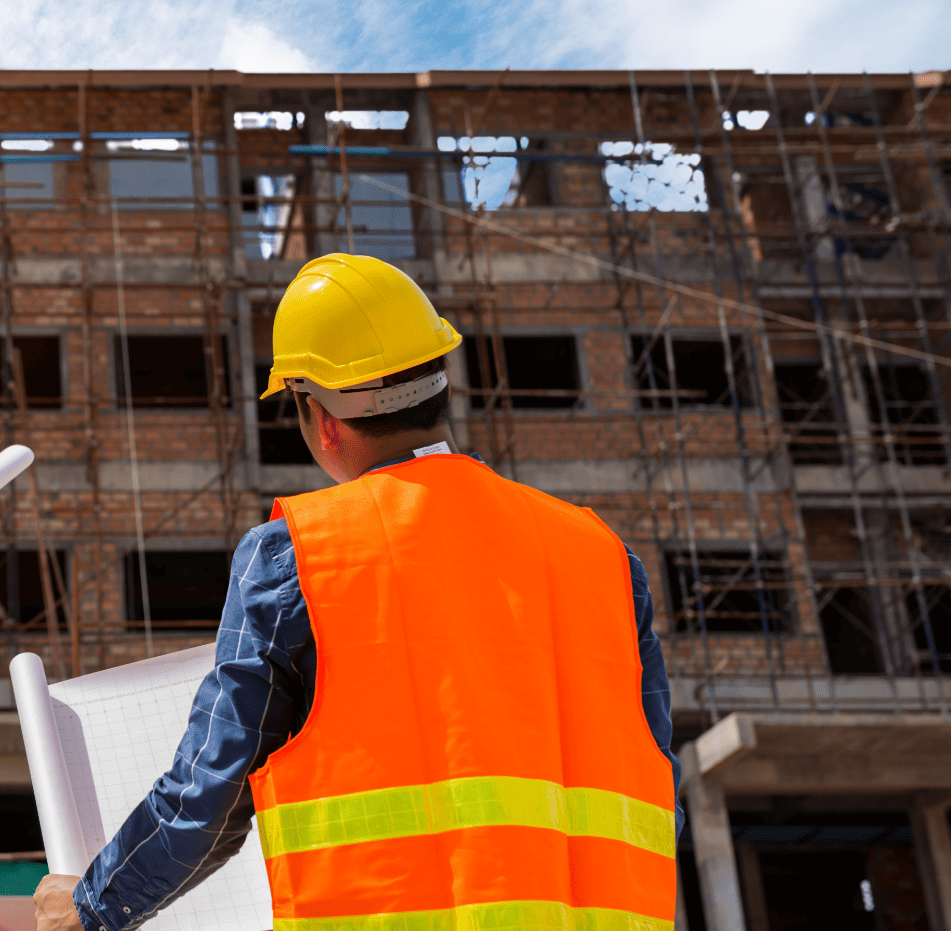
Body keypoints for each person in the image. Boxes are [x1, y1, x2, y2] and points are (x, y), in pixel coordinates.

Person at [34, 254, 678, 931]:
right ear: (439, 382)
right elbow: (656, 785)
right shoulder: (604, 558)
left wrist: (89, 907)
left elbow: (207, 799)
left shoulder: (299, 557)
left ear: (322, 418)